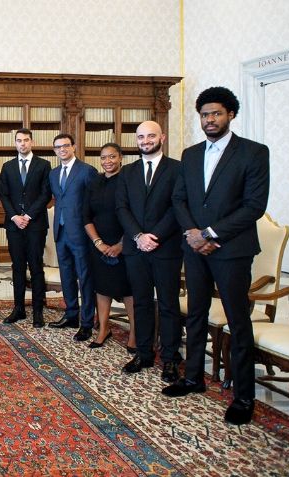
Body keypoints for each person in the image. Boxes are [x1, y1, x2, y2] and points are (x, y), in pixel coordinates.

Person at [166, 86, 269, 426]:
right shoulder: (191, 154)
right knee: (196, 313)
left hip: (232, 251)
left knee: (238, 322)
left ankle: (243, 396)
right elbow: (179, 200)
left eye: (216, 114)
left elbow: (254, 206)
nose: (209, 120)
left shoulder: (253, 153)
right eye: (205, 115)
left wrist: (211, 234)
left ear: (231, 115)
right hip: (194, 250)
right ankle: (193, 378)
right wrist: (193, 235)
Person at [116, 122, 183, 380]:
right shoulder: (128, 172)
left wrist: (154, 236)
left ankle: (170, 359)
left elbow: (177, 206)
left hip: (165, 248)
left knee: (168, 304)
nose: (146, 140)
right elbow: (122, 208)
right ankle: (144, 353)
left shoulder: (177, 169)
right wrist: (138, 236)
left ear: (162, 137)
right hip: (135, 248)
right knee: (141, 302)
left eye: (151, 135)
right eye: (141, 137)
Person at [81, 143, 135, 349]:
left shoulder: (128, 181)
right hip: (99, 245)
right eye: (103, 158)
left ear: (121, 157)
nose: (107, 162)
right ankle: (103, 328)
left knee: (129, 290)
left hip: (126, 244)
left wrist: (122, 244)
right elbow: (86, 216)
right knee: (101, 288)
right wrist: (98, 243)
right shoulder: (94, 182)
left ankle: (134, 333)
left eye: (112, 157)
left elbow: (135, 214)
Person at [48, 133, 98, 341]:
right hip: (60, 232)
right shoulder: (53, 173)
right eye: (58, 147)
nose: (62, 150)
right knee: (66, 276)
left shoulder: (87, 171)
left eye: (66, 146)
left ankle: (87, 322)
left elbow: (94, 204)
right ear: (55, 150)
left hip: (80, 233)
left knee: (85, 278)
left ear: (74, 147)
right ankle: (71, 315)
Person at [0, 128, 51, 328]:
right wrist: (14, 216)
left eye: (26, 140)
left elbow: (45, 194)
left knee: (36, 267)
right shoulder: (7, 166)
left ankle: (38, 311)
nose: (22, 144)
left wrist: (28, 216)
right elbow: (4, 195)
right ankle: (18, 308)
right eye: (19, 141)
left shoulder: (43, 165)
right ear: (15, 143)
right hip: (14, 226)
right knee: (17, 267)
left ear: (32, 142)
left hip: (35, 224)